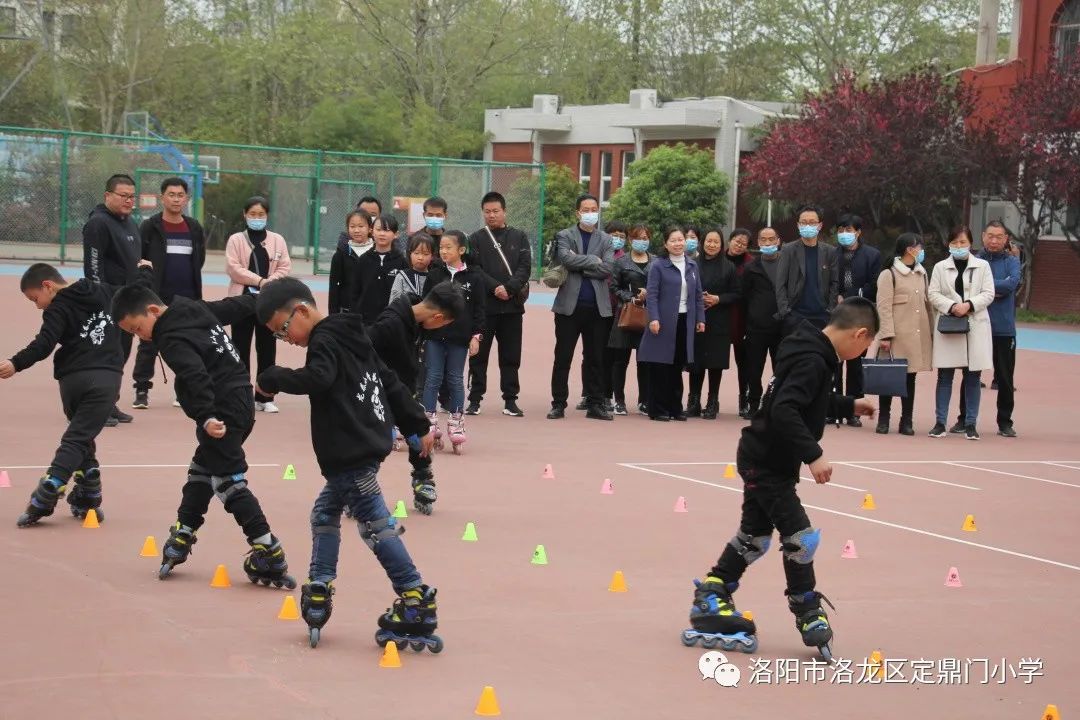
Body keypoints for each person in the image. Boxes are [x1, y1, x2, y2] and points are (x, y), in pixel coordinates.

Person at [253, 277, 442, 651]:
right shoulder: (350, 333)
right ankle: (319, 585)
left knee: (375, 525)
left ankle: (415, 596)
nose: (285, 338)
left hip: (349, 451)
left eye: (283, 328)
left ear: (301, 310)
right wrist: (416, 424)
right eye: (277, 334)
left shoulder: (323, 340)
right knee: (324, 514)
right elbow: (388, 381)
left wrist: (272, 377)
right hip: (363, 445)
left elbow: (319, 378)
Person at [682, 298, 878, 658]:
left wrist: (848, 404)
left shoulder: (809, 349)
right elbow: (786, 409)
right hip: (768, 463)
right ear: (859, 334)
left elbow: (809, 400)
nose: (862, 353)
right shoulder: (813, 359)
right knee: (801, 539)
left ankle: (712, 593)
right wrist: (814, 454)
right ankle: (807, 609)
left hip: (761, 455)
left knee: (754, 538)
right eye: (866, 346)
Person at [110, 283, 295, 587]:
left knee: (226, 480)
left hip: (220, 408)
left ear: (153, 311)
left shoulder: (169, 337)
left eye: (137, 328)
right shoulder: (193, 307)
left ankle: (268, 549)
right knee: (202, 469)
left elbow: (195, 374)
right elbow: (232, 307)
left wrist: (206, 415)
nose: (140, 336)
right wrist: (262, 298)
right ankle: (184, 531)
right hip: (241, 399)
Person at [4, 261, 150, 527]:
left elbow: (44, 344)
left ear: (48, 286)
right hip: (107, 378)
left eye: (35, 299)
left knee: (79, 436)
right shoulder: (104, 291)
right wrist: (145, 270)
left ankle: (59, 488)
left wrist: (16, 363)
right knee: (81, 436)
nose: (37, 306)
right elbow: (136, 290)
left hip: (74, 380)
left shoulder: (57, 308)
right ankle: (79, 490)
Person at [366, 281, 464, 514]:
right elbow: (363, 349)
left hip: (401, 389)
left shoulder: (414, 314)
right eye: (445, 324)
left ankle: (422, 477)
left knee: (419, 432)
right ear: (437, 317)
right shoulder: (389, 325)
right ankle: (359, 486)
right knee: (373, 442)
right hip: (376, 391)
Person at [134, 177, 207, 409]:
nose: (176, 199)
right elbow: (140, 258)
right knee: (149, 343)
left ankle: (181, 391)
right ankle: (142, 389)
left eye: (180, 195)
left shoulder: (194, 227)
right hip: (156, 296)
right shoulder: (150, 226)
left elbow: (199, 259)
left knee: (186, 344)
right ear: (162, 198)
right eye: (171, 195)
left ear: (186, 199)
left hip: (187, 297)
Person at [548, 194, 615, 421]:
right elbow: (566, 260)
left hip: (598, 309)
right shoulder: (565, 235)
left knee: (596, 359)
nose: (590, 213)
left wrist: (580, 263)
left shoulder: (606, 239)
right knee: (563, 357)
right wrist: (594, 260)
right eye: (585, 210)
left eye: (594, 209)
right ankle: (558, 404)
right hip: (569, 308)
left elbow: (608, 268)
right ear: (577, 213)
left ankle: (595, 404)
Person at [83, 173, 142, 426]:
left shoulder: (130, 223)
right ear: (108, 195)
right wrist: (101, 301)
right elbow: (93, 266)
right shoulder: (98, 223)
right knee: (103, 357)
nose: (128, 201)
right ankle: (94, 408)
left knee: (120, 354)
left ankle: (109, 402)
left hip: (127, 304)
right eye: (123, 196)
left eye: (132, 196)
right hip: (107, 303)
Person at [466, 191, 532, 417]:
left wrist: (510, 288)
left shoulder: (519, 237)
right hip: (484, 308)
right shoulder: (475, 239)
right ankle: (475, 399)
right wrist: (495, 287)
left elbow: (525, 267)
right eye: (487, 212)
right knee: (478, 355)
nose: (491, 215)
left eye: (495, 211)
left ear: (504, 211)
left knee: (511, 355)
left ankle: (510, 400)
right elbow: (474, 269)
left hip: (512, 307)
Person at [927, 226, 996, 440]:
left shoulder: (982, 266)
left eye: (963, 242)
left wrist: (969, 305)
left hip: (974, 325)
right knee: (944, 377)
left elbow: (989, 293)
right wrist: (952, 306)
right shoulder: (940, 267)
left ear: (970, 243)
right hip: (949, 325)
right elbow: (933, 293)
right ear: (949, 244)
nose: (958, 246)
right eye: (954, 242)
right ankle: (940, 423)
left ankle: (970, 424)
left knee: (973, 377)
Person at [953, 221, 1021, 438]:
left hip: (1003, 329)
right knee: (970, 374)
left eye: (999, 237)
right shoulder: (973, 260)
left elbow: (1011, 285)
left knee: (1005, 378)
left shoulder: (1012, 262)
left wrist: (985, 289)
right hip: (976, 325)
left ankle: (1005, 422)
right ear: (983, 236)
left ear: (1006, 239)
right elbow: (967, 287)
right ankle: (964, 419)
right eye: (990, 236)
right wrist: (992, 290)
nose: (994, 241)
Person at [225, 196, 292, 413]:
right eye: (252, 214)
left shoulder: (277, 240)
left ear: (267, 216)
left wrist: (270, 283)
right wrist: (260, 281)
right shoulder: (236, 240)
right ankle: (242, 396)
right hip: (241, 303)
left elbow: (284, 267)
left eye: (261, 214)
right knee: (240, 349)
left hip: (269, 304)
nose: (257, 218)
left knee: (267, 349)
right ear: (245, 215)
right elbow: (233, 268)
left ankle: (265, 396)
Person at [421, 231, 485, 452]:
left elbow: (479, 310)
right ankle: (428, 421)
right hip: (434, 336)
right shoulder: (434, 275)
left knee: (455, 379)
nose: (444, 251)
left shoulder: (474, 277)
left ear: (461, 250)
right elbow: (425, 304)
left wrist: (476, 336)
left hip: (459, 338)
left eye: (449, 247)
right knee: (433, 377)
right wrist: (425, 327)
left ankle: (456, 421)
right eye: (441, 247)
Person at [637, 226, 706, 421]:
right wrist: (654, 318)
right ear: (665, 244)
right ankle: (658, 409)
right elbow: (652, 295)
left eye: (680, 239)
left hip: (685, 320)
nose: (678, 244)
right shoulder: (658, 266)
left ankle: (675, 407)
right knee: (660, 365)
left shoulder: (692, 265)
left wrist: (700, 318)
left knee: (677, 365)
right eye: (673, 240)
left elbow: (698, 295)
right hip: (663, 321)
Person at [868, 233, 932, 435]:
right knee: (888, 378)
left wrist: (931, 331)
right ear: (909, 249)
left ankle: (906, 421)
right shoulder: (889, 274)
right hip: (896, 337)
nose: (921, 251)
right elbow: (883, 307)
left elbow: (927, 305)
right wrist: (886, 335)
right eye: (919, 247)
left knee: (910, 379)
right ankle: (884, 419)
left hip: (915, 336)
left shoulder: (921, 273)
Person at [831, 214, 881, 426]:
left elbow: (874, 284)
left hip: (860, 313)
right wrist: (835, 295)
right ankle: (833, 407)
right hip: (835, 314)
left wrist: (849, 295)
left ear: (858, 232)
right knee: (834, 362)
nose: (844, 234)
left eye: (849, 230)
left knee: (855, 364)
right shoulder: (831, 254)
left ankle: (853, 410)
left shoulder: (872, 255)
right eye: (841, 230)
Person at [688, 229, 740, 419]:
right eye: (709, 241)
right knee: (696, 363)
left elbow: (737, 293)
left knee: (715, 364)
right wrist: (697, 299)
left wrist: (718, 299)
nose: (712, 245)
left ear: (721, 244)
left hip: (719, 321)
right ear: (703, 243)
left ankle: (712, 401)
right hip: (696, 319)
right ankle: (693, 401)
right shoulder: (692, 264)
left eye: (716, 242)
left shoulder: (729, 267)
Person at [607, 223, 654, 416]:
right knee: (620, 361)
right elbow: (614, 287)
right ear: (630, 240)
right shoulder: (621, 261)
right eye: (638, 238)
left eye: (645, 238)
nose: (642, 241)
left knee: (645, 361)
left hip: (648, 316)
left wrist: (649, 294)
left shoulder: (656, 262)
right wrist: (631, 297)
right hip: (626, 314)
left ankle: (644, 401)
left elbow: (661, 287)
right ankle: (618, 400)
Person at [776, 204, 839, 336]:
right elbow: (780, 283)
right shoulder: (788, 250)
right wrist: (785, 312)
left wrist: (830, 310)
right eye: (804, 222)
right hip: (795, 316)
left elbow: (834, 283)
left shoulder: (830, 252)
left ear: (820, 225)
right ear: (798, 225)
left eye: (812, 222)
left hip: (822, 316)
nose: (808, 226)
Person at [741, 228, 784, 416]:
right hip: (756, 328)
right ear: (758, 242)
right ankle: (753, 404)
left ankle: (777, 404)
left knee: (781, 368)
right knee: (753, 369)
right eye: (763, 240)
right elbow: (744, 297)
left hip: (782, 327)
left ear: (778, 241)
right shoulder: (751, 268)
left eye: (771, 239)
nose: (768, 243)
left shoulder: (787, 264)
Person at [723, 228, 754, 417]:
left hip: (742, 318)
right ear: (730, 240)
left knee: (744, 363)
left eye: (743, 243)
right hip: (719, 315)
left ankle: (745, 400)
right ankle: (710, 400)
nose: (739, 245)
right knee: (713, 360)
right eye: (737, 241)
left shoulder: (751, 264)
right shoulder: (718, 258)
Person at [356, 214, 408, 325]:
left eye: (387, 230)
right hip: (365, 321)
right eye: (378, 229)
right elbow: (355, 292)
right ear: (371, 231)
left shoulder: (402, 261)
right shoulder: (363, 260)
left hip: (392, 320)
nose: (382, 234)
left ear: (396, 234)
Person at [328, 210, 375, 314]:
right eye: (352, 226)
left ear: (370, 229)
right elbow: (334, 287)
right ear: (348, 229)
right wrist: (333, 315)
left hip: (372, 312)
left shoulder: (377, 252)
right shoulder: (340, 254)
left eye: (361, 226)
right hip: (347, 311)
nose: (356, 230)